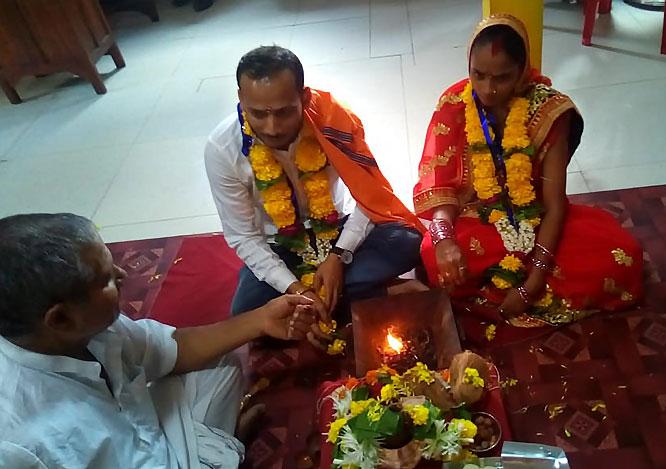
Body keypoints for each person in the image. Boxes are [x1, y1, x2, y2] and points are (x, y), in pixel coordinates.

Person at [0, 213, 316, 468]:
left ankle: (215, 446)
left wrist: (261, 319)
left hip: (153, 435)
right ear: (60, 319)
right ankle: (218, 448)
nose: (123, 274)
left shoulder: (83, 328)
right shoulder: (20, 443)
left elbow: (175, 348)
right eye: (107, 278)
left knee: (220, 362)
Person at [413, 14, 643, 327]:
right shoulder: (455, 103)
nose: (488, 89)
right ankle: (498, 282)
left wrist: (531, 283)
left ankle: (503, 289)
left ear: (523, 72)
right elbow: (441, 189)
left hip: (537, 221)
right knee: (431, 251)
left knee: (622, 255)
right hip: (480, 217)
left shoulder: (549, 111)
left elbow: (554, 206)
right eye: (478, 74)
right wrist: (444, 240)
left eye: (502, 77)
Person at [205, 46, 425, 335]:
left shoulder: (336, 122)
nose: (271, 128)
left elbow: (367, 197)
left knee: (407, 241)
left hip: (338, 230)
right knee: (247, 311)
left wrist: (338, 256)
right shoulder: (222, 149)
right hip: (280, 245)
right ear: (241, 99)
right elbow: (244, 237)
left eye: (284, 112)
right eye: (258, 114)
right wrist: (295, 288)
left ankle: (307, 310)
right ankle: (374, 292)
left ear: (304, 97)